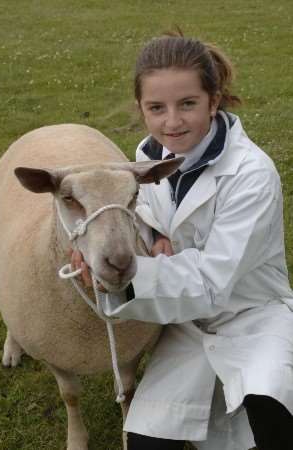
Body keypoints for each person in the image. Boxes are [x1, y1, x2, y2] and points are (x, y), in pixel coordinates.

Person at [72, 32, 293, 450]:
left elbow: (212, 282)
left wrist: (124, 280)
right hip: (186, 325)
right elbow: (142, 214)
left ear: (214, 100)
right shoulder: (146, 158)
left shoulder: (251, 175)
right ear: (141, 110)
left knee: (271, 422)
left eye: (187, 104)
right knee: (146, 442)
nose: (172, 122)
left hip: (251, 315)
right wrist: (151, 236)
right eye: (157, 108)